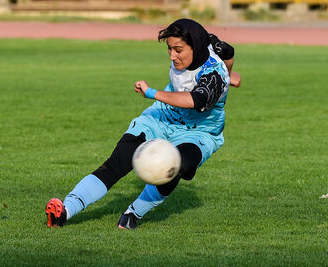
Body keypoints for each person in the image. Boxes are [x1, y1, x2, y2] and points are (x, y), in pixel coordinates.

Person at [46, 18, 239, 229]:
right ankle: (65, 210)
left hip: (199, 131)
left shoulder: (214, 75)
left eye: (178, 50)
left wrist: (151, 92)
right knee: (118, 161)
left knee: (175, 166)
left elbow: (194, 101)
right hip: (163, 116)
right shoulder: (209, 42)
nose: (172, 56)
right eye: (169, 49)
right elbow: (228, 51)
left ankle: (133, 213)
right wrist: (231, 75)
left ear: (197, 46)